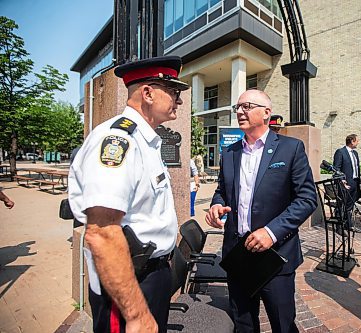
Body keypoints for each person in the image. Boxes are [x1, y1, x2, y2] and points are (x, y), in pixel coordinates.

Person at [68, 55, 189, 333]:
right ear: (147, 93)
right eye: (173, 92)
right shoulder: (118, 140)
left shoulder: (145, 141)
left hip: (151, 274)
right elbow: (101, 232)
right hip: (127, 283)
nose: (178, 100)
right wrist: (135, 314)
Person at [205, 89, 317, 333]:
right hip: (238, 253)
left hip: (274, 254)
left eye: (247, 106)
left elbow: (307, 199)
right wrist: (216, 204)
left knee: (282, 322)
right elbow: (222, 189)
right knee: (243, 322)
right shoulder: (230, 152)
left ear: (266, 113)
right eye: (237, 107)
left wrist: (271, 232)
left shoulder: (290, 149)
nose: (240, 111)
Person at [333, 134, 361, 233]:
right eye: (357, 141)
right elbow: (336, 168)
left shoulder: (355, 153)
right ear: (352, 141)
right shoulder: (340, 152)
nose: (358, 142)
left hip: (354, 182)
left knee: (350, 205)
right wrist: (341, 181)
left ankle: (348, 224)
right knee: (341, 205)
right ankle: (339, 227)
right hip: (345, 183)